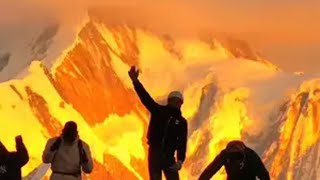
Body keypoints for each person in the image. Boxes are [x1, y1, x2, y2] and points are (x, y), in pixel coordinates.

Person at [128, 66, 188, 180]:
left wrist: (180, 160)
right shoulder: (158, 111)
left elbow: (182, 142)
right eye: (173, 100)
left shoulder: (181, 122)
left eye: (177, 100)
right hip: (155, 154)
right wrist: (135, 81)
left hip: (168, 156)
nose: (175, 102)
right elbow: (145, 98)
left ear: (181, 103)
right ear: (169, 101)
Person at [199, 141, 270, 180]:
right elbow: (210, 171)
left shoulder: (251, 157)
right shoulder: (225, 155)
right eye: (232, 158)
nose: (235, 161)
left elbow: (264, 175)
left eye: (237, 158)